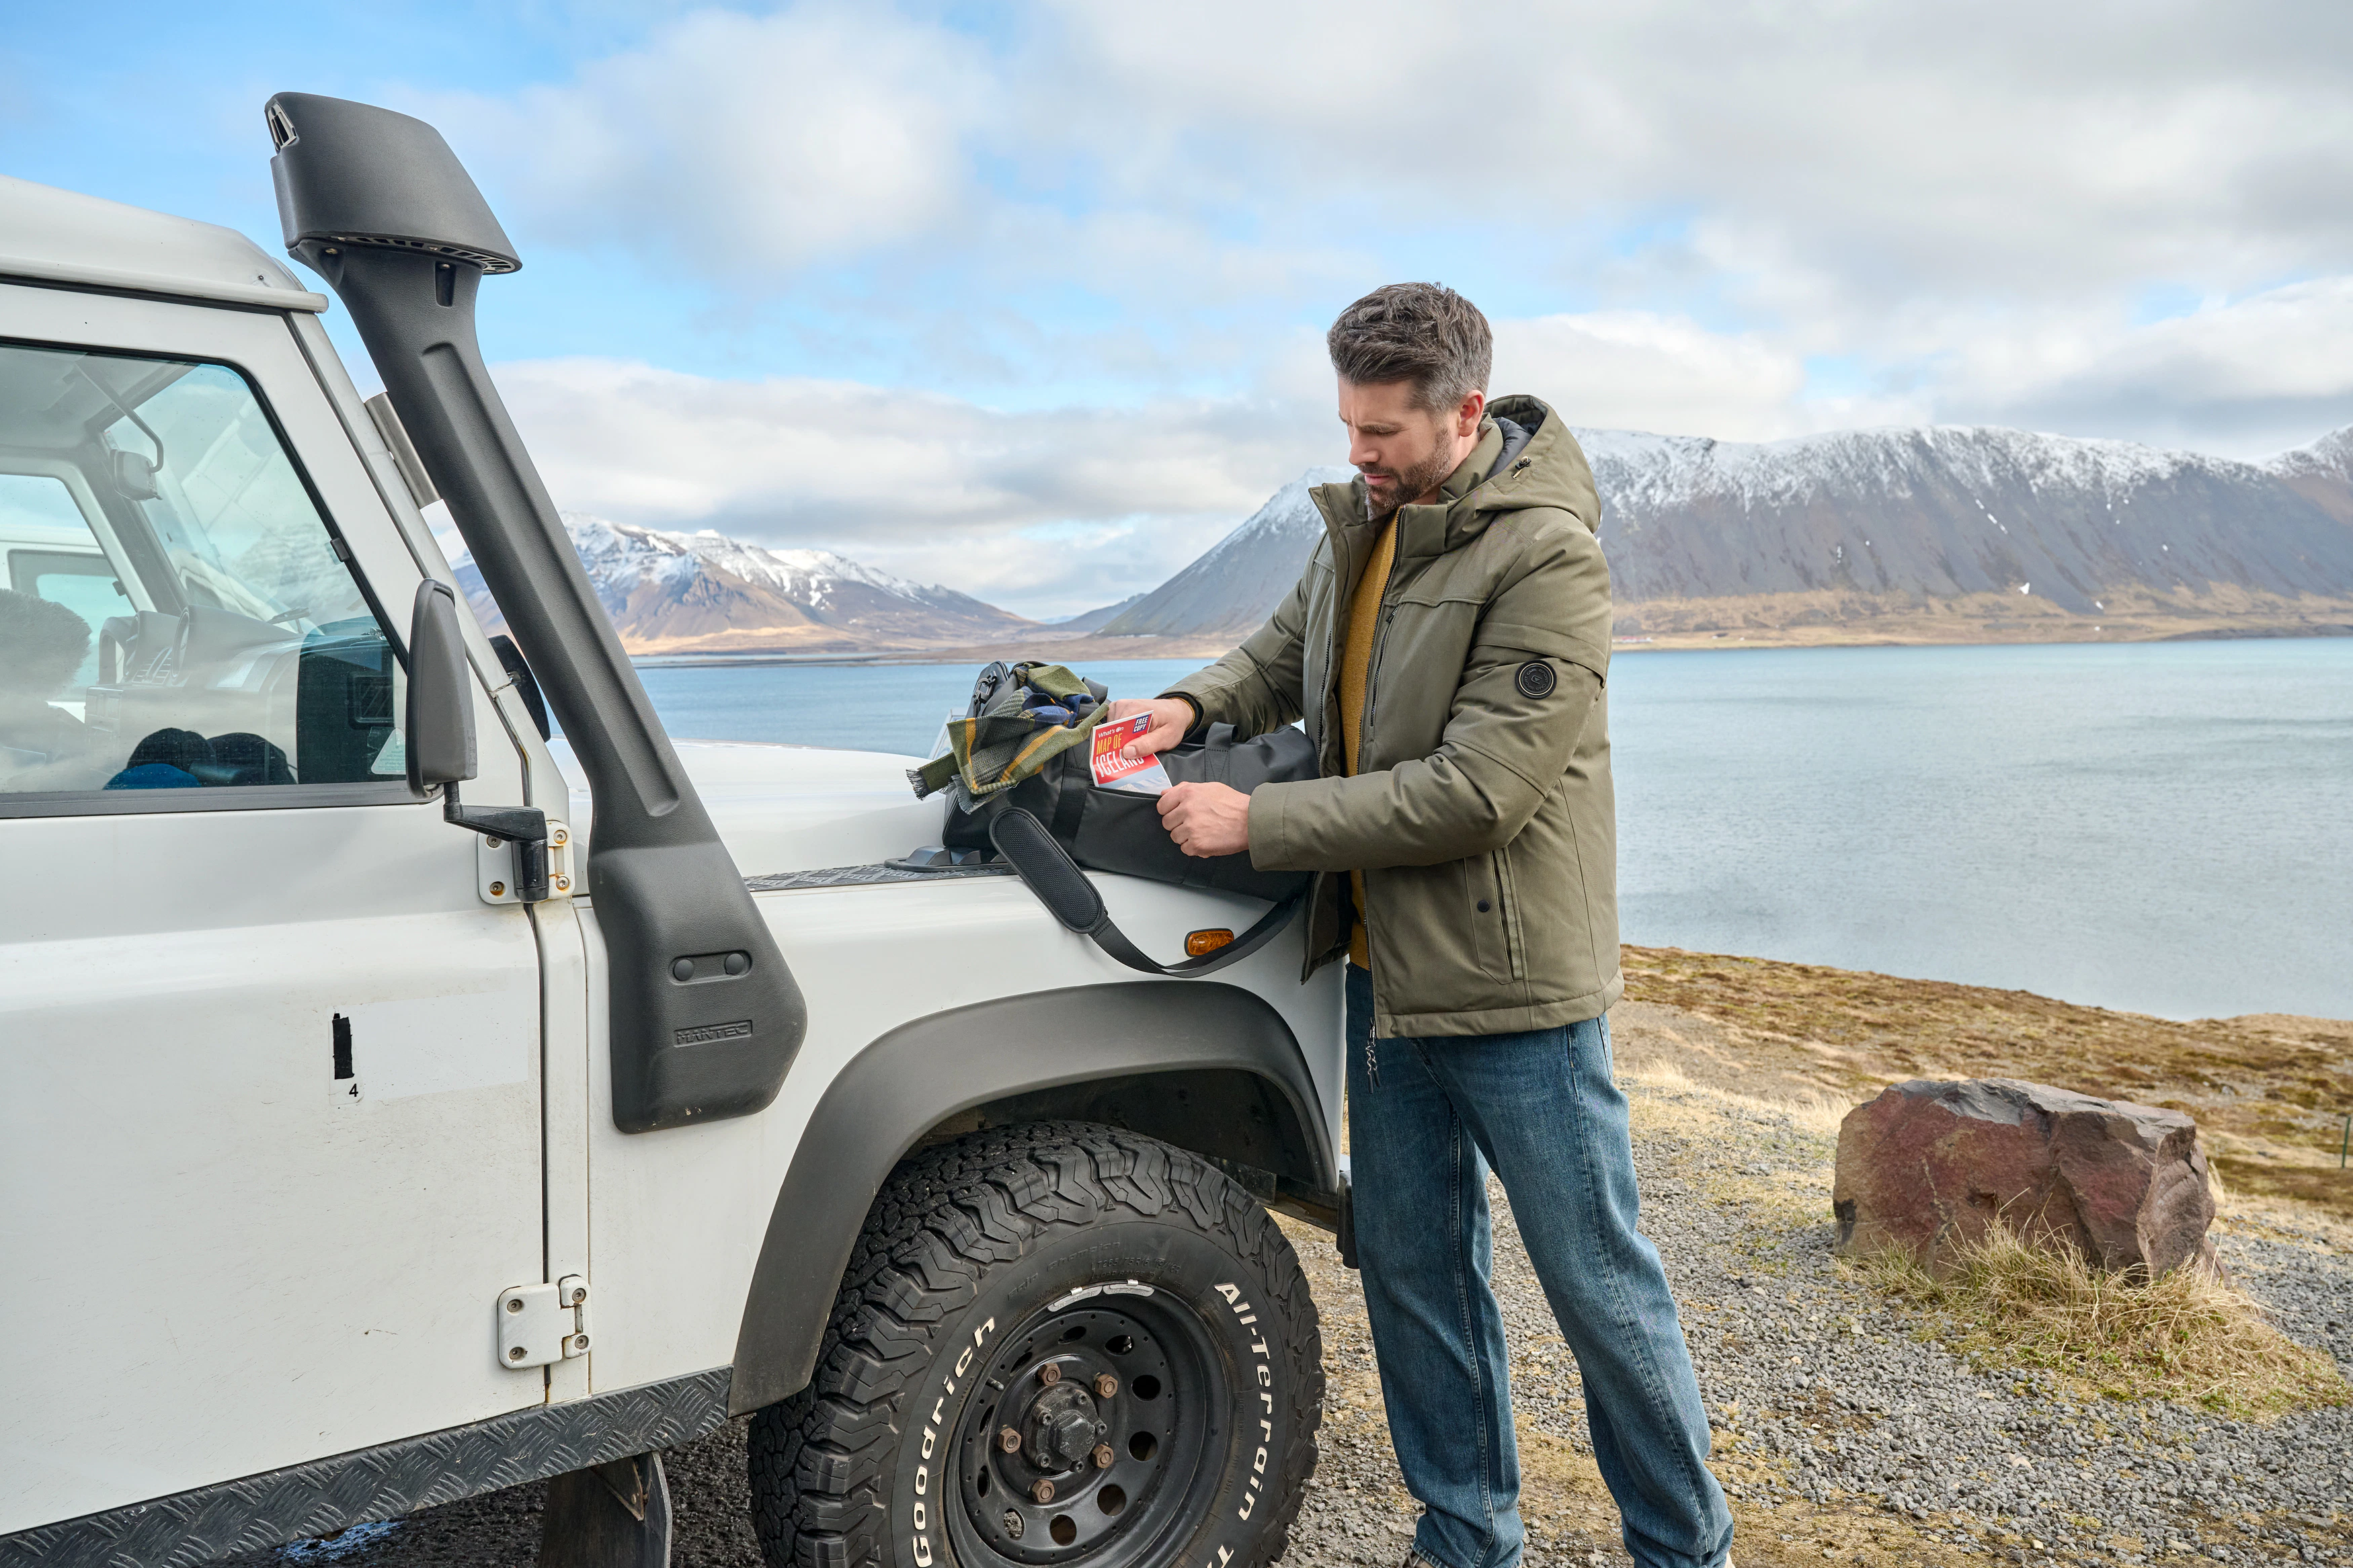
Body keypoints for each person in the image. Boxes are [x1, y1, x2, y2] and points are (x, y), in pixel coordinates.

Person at [1107, 284, 1733, 1568]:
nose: (1356, 453)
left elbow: (1481, 791)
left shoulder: (1548, 557)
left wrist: (1259, 826)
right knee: (1413, 1281)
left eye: (1381, 431)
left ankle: (1685, 1549)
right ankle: (1465, 1538)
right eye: (1346, 424)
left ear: (1462, 413)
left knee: (1598, 1291)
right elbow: (1281, 656)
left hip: (1515, 999)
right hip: (1385, 985)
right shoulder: (1363, 526)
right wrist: (1180, 708)